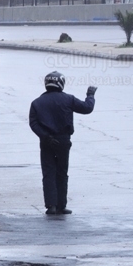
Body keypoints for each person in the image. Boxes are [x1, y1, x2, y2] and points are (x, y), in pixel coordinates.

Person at [29, 71, 96, 216]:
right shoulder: (68, 99)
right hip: (63, 141)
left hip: (46, 141)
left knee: (48, 173)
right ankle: (61, 205)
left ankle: (51, 206)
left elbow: (33, 124)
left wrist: (45, 136)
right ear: (61, 83)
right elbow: (87, 108)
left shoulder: (36, 103)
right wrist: (90, 95)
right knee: (62, 172)